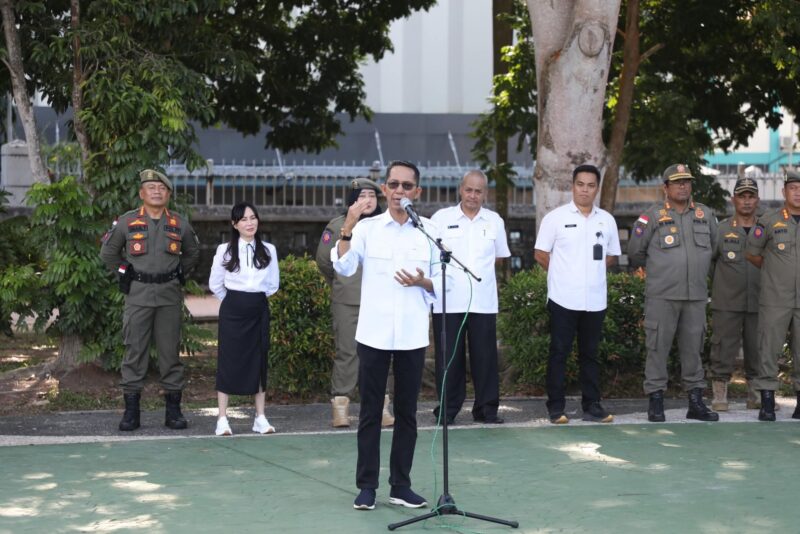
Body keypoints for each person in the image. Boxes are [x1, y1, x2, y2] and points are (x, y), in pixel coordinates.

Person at [332, 160, 439, 511]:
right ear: (384, 189)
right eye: (393, 184)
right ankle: (366, 486)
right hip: (374, 333)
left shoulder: (428, 231)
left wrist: (423, 281)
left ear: (417, 192)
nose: (399, 192)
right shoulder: (367, 229)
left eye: (407, 186)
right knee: (370, 413)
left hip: (411, 334)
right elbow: (344, 266)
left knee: (408, 413)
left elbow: (443, 280)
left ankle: (401, 485)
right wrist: (348, 224)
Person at [100, 169, 200, 431]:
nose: (157, 191)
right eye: (151, 187)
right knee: (134, 352)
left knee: (170, 354)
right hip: (138, 295)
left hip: (168, 295)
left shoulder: (179, 223)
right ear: (141, 193)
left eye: (162, 188)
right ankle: (131, 412)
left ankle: (173, 411)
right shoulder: (127, 222)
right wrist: (126, 272)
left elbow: (192, 253)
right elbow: (109, 254)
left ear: (168, 194)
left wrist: (178, 273)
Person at [628, 163, 719, 423]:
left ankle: (695, 402)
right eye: (677, 182)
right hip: (662, 296)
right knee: (657, 348)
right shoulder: (652, 217)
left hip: (695, 296)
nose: (683, 186)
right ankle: (656, 401)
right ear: (665, 187)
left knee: (694, 349)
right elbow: (636, 252)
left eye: (687, 181)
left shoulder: (705, 214)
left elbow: (713, 249)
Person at [533, 164, 621, 424]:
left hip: (595, 300)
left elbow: (612, 255)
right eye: (580, 184)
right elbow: (540, 254)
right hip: (563, 299)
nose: (585, 190)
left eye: (590, 185)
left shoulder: (606, 220)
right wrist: (565, 273)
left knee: (590, 354)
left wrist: (589, 273)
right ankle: (556, 408)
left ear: (597, 188)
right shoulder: (555, 218)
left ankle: (592, 406)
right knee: (559, 352)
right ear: (572, 186)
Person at [430, 170, 510, 425]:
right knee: (448, 359)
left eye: (478, 191)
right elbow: (431, 256)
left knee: (485, 358)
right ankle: (448, 409)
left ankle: (486, 410)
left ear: (485, 193)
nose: (473, 195)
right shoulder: (440, 219)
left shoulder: (494, 220)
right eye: (469, 190)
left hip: (483, 301)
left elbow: (498, 257)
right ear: (460, 190)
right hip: (448, 301)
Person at [315, 178, 395, 428]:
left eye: (372, 196)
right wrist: (343, 281)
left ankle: (382, 408)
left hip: (380, 300)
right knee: (347, 353)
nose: (367, 201)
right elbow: (324, 262)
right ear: (352, 201)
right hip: (347, 301)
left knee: (383, 354)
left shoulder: (388, 224)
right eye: (361, 196)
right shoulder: (338, 226)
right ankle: (341, 408)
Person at [209, 202, 280, 436]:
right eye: (244, 219)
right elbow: (215, 284)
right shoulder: (224, 250)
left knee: (259, 362)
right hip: (232, 311)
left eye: (253, 218)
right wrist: (234, 301)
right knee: (228, 361)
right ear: (234, 224)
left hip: (258, 309)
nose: (250, 223)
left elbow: (272, 285)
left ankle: (260, 417)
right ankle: (222, 419)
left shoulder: (269, 249)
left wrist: (252, 299)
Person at [746, 169, 800, 421]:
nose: (798, 192)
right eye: (793, 187)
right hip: (775, 298)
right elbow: (753, 254)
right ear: (784, 192)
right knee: (769, 349)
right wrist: (774, 273)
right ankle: (767, 401)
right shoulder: (769, 220)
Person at [709, 178, 761, 411]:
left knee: (759, 347)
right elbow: (709, 264)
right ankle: (720, 394)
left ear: (757, 200)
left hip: (760, 301)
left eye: (751, 196)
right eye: (742, 196)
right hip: (727, 301)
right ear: (734, 200)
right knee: (722, 348)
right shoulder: (720, 230)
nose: (747, 201)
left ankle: (756, 393)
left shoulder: (766, 228)